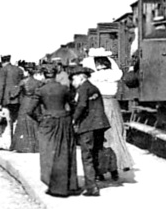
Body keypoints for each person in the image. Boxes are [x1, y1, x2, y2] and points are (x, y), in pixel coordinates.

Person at [84, 49, 135, 177]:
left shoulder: (94, 77)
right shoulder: (114, 74)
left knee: (99, 138)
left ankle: (100, 170)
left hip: (99, 106)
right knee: (116, 135)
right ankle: (116, 168)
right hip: (113, 104)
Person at [30, 66, 79, 197]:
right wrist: (70, 116)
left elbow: (29, 110)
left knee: (48, 152)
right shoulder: (64, 89)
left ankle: (52, 184)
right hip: (64, 121)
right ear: (56, 75)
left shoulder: (40, 90)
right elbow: (73, 104)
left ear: (44, 75)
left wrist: (40, 119)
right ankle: (70, 185)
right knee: (65, 151)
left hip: (48, 122)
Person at [70, 66, 109, 197]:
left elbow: (81, 105)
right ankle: (96, 179)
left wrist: (74, 119)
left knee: (87, 156)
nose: (72, 82)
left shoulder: (83, 88)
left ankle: (91, 187)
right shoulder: (93, 87)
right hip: (99, 125)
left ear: (81, 77)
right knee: (95, 153)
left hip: (88, 126)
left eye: (74, 79)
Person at [0, 55, 24, 148]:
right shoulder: (19, 70)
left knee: (7, 121)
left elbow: (0, 86)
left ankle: (7, 144)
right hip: (18, 98)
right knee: (15, 121)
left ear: (2, 60)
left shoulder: (3, 70)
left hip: (6, 99)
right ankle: (17, 143)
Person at [12, 66, 43, 153]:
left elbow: (14, 93)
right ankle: (36, 146)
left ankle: (23, 146)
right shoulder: (39, 82)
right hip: (35, 103)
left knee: (23, 123)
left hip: (26, 102)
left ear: (27, 72)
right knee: (34, 123)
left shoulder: (23, 82)